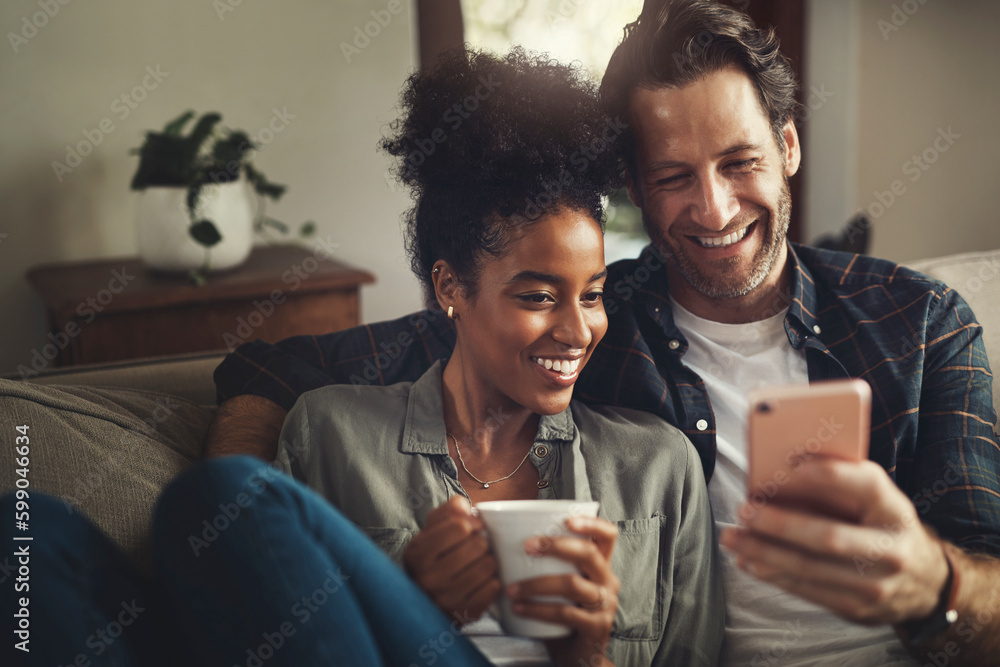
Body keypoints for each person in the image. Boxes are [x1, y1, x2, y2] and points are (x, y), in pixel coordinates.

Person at [208, 1, 1000, 665]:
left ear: (788, 145)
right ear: (635, 188)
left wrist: (935, 583)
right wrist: (239, 535)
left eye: (739, 162)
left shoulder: (919, 323)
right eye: (673, 177)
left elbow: (990, 590)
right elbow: (275, 365)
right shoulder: (598, 316)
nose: (715, 209)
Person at [1, 47, 722, 667]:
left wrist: (589, 654)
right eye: (538, 297)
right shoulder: (331, 431)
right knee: (26, 535)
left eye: (592, 294)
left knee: (219, 495)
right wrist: (408, 591)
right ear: (449, 287)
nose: (577, 330)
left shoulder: (658, 467)